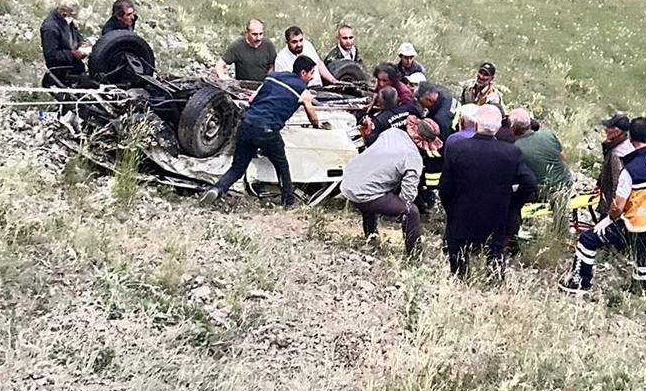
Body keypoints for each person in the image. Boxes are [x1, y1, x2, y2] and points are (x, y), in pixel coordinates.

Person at [559, 116, 646, 295]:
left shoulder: (630, 170)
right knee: (644, 250)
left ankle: (579, 283)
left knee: (587, 240)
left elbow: (618, 206)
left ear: (630, 138)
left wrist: (609, 220)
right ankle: (641, 289)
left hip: (634, 225)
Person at [199, 56, 323, 208]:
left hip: (246, 124)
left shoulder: (273, 77)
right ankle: (289, 202)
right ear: (303, 73)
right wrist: (317, 125)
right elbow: (312, 114)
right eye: (311, 73)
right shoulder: (303, 91)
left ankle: (217, 189)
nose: (312, 77)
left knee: (237, 168)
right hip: (267, 130)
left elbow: (252, 99)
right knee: (282, 167)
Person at [439, 105, 537, 278]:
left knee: (458, 252)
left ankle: (460, 278)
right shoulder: (511, 152)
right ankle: (494, 280)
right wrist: (512, 204)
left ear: (476, 124)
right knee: (495, 252)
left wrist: (451, 208)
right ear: (498, 127)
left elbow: (445, 186)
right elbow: (529, 182)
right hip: (496, 213)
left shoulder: (457, 148)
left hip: (462, 212)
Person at [341, 118, 437, 255]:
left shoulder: (392, 132)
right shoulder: (413, 157)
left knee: (373, 189)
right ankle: (415, 254)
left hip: (349, 180)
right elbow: (407, 197)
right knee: (411, 211)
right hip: (364, 193)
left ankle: (371, 237)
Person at [508, 108, 572, 201]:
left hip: (545, 193)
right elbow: (563, 158)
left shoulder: (515, 148)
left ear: (513, 127)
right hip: (567, 185)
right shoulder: (548, 134)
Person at [594, 113, 634, 220]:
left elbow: (618, 182)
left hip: (614, 205)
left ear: (617, 132)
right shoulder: (628, 145)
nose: (605, 130)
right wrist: (599, 183)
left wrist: (614, 208)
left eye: (609, 128)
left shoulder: (616, 153)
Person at [40, 0, 86, 86]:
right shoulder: (50, 28)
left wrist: (81, 41)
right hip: (61, 72)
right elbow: (51, 56)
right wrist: (72, 55)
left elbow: (74, 32)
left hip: (74, 67)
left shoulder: (66, 20)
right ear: (64, 13)